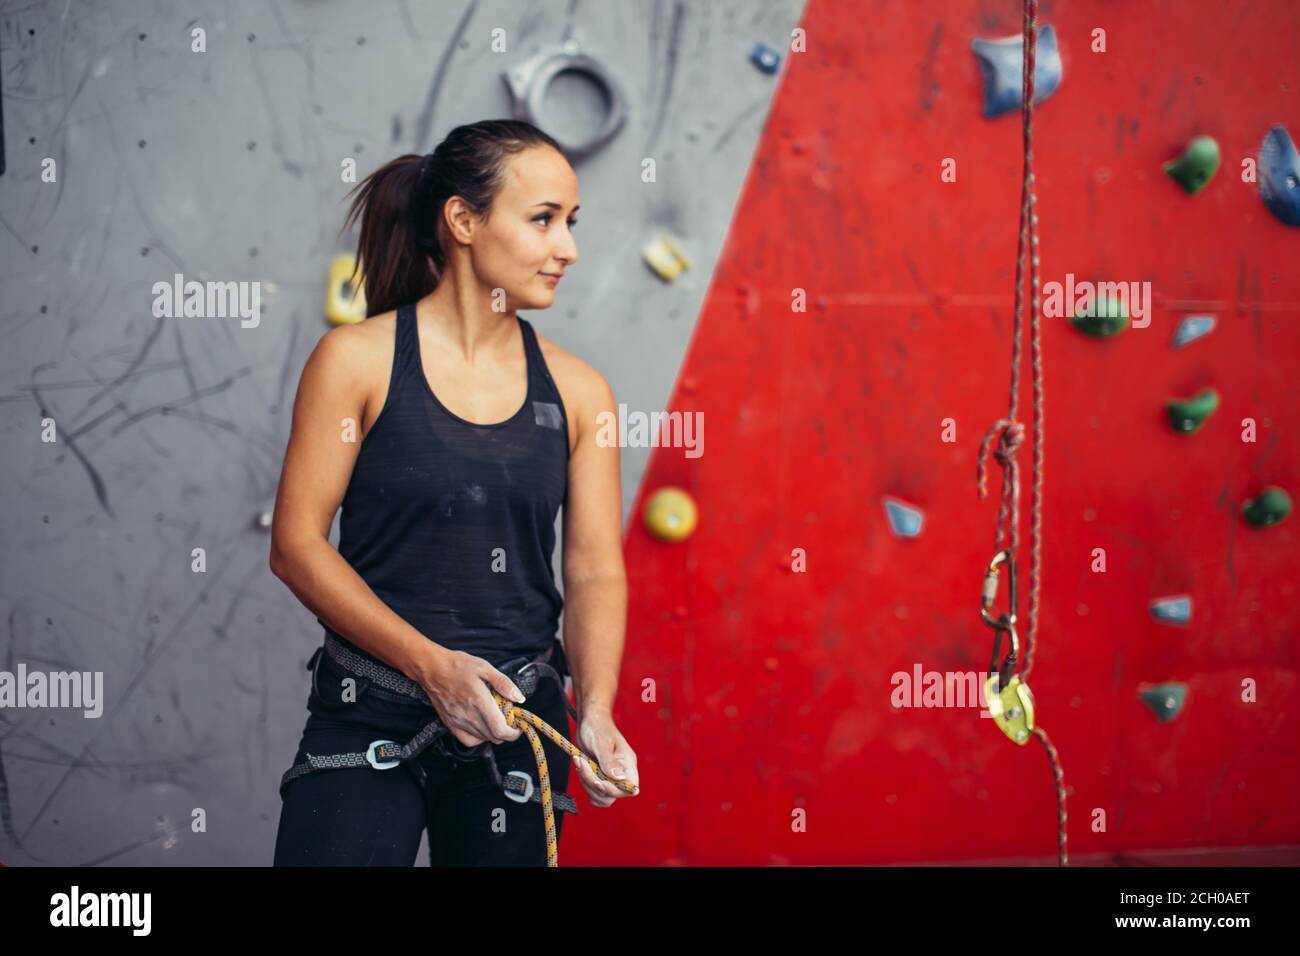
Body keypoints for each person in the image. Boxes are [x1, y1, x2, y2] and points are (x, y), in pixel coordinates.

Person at [269, 119, 637, 866]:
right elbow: (296, 546)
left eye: (571, 222)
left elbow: (595, 567)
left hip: (516, 727)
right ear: (463, 221)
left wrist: (595, 709)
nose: (567, 248)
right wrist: (432, 668)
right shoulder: (356, 361)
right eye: (543, 220)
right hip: (368, 713)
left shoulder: (580, 392)